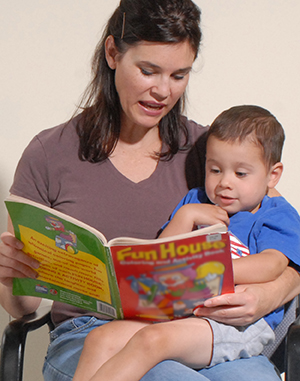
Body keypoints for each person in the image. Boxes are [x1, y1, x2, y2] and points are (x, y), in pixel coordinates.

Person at [0, 1, 299, 380]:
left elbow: (277, 234)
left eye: (179, 75)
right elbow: (22, 306)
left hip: (195, 327)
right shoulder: (50, 154)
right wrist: (14, 276)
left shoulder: (210, 154)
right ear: (112, 53)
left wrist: (273, 293)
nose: (162, 91)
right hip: (89, 334)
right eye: (148, 70)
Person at [72, 105, 300, 381]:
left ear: (272, 175)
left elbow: (272, 265)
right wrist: (185, 216)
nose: (225, 183)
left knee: (152, 341)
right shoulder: (196, 200)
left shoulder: (275, 213)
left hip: (232, 324)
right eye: (215, 169)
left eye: (241, 174)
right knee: (101, 337)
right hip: (179, 314)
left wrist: (200, 269)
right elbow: (158, 257)